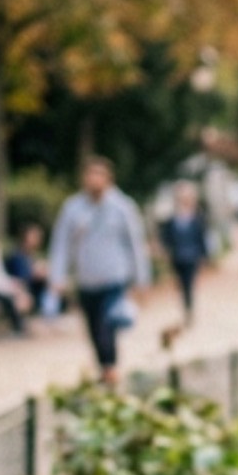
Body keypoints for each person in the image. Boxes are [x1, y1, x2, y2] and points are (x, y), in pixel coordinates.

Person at [48, 156, 152, 385]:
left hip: (114, 277)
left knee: (107, 324)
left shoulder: (123, 207)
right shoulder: (72, 208)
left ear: (108, 179)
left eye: (99, 174)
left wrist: (141, 279)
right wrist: (57, 277)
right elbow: (61, 244)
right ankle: (104, 367)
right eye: (90, 174)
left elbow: (135, 244)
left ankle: (110, 366)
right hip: (86, 279)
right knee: (93, 327)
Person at [157, 180, 211, 327]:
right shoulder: (172, 219)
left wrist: (205, 257)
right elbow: (166, 238)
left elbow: (202, 239)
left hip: (191, 257)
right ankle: (186, 308)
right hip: (177, 257)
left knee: (188, 286)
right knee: (181, 285)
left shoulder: (197, 219)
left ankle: (189, 310)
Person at [3, 223, 50, 314]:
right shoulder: (16, 255)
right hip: (20, 292)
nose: (38, 240)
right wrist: (36, 273)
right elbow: (21, 279)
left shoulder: (32, 256)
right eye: (34, 236)